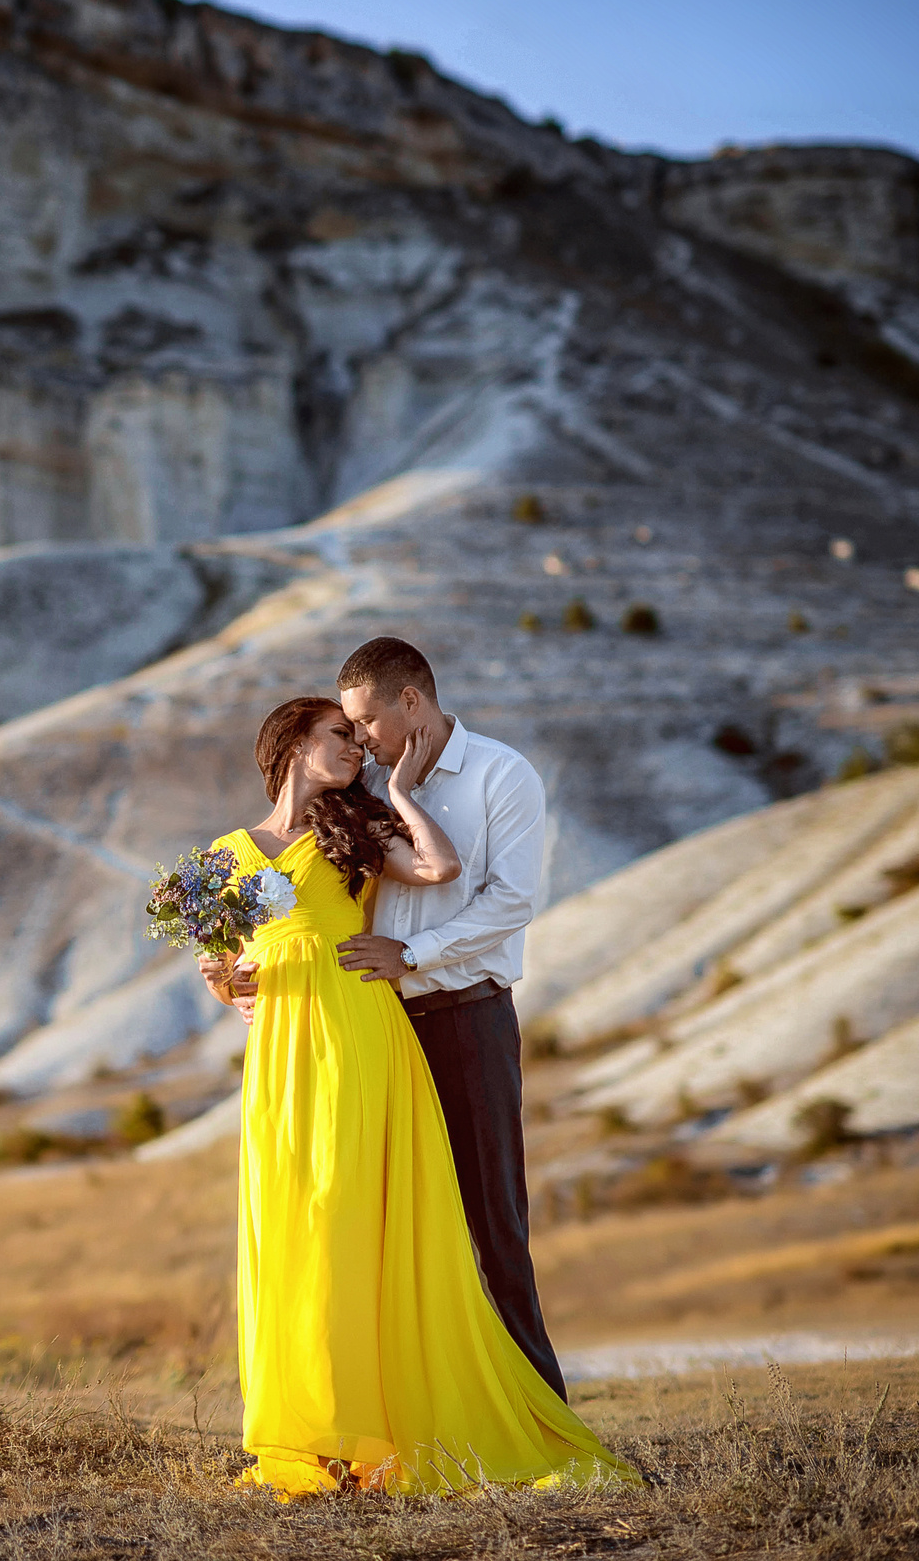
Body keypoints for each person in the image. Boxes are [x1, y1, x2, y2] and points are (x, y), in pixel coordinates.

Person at [194, 694, 633, 1497]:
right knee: (295, 1225)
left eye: (362, 738)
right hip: (281, 1051)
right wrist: (227, 981)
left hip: (356, 1028)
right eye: (340, 736)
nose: (357, 749)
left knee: (346, 1218)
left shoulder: (350, 832)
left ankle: (386, 1427)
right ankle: (317, 1431)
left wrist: (397, 795)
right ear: (292, 742)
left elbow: (441, 869)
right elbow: (222, 967)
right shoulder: (226, 853)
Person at [334, 635, 567, 1398]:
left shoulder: (503, 774)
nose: (360, 739)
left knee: (492, 1224)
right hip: (382, 1033)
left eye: (367, 720)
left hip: (468, 1022)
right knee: (395, 1230)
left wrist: (414, 951)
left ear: (412, 700)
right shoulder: (365, 789)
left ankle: (542, 1417)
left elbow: (512, 900)